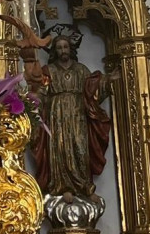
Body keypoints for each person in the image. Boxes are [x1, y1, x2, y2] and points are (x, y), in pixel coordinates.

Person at [32, 34, 114, 198]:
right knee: (60, 149)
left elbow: (93, 90)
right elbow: (41, 92)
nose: (63, 50)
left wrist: (108, 80)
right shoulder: (49, 71)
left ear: (71, 49)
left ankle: (85, 187)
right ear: (55, 51)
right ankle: (62, 187)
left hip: (78, 115)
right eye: (59, 47)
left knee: (80, 148)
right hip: (56, 115)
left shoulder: (81, 70)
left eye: (66, 46)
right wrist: (34, 102)